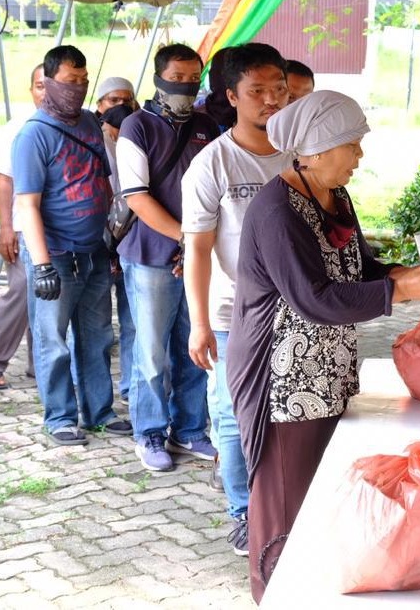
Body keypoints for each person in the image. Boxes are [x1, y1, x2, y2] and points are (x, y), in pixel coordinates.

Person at [227, 90, 420, 602]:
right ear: (316, 149)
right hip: (283, 380)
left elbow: (359, 269)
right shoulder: (276, 211)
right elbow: (314, 298)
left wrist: (411, 276)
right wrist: (402, 290)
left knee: (320, 498)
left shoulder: (332, 197)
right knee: (286, 506)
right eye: (352, 145)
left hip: (325, 372)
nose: (359, 157)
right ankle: (275, 596)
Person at [181, 43, 291, 556]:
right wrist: (199, 323)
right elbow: (197, 250)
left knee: (289, 411)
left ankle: (286, 504)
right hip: (232, 316)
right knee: (231, 415)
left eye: (279, 89)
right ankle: (244, 511)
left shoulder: (302, 155)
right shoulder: (212, 165)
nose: (271, 100)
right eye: (257, 91)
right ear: (232, 96)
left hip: (299, 313)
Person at [12, 45, 131, 446]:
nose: (77, 89)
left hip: (93, 249)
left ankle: (99, 411)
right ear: (46, 83)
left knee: (97, 336)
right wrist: (42, 265)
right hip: (57, 255)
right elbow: (26, 204)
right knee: (54, 340)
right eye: (69, 82)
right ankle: (60, 416)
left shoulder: (89, 124)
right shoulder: (33, 135)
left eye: (83, 81)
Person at [117, 43, 221, 471]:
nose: (184, 85)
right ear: (158, 79)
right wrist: (186, 239)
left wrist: (198, 246)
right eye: (175, 78)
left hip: (197, 255)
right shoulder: (135, 127)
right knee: (152, 351)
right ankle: (150, 432)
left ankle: (191, 429)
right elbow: (137, 197)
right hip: (151, 254)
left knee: (194, 345)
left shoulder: (207, 126)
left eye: (192, 78)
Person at [0, 64, 45, 390]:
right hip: (20, 225)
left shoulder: (73, 125)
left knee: (45, 294)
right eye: (39, 86)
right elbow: (4, 182)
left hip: (57, 227)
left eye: (50, 85)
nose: (44, 92)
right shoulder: (16, 129)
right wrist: (5, 227)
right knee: (20, 291)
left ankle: (39, 363)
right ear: (31, 90)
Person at [100, 101, 136, 405]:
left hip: (125, 243)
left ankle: (127, 386)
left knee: (130, 323)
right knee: (99, 326)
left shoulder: (127, 145)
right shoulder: (101, 145)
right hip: (105, 244)